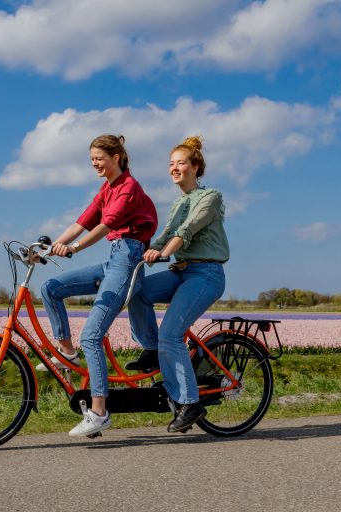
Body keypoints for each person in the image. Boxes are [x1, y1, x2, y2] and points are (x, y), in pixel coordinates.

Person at [40, 134, 158, 437]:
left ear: (116, 157)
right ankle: (66, 351)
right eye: (91, 159)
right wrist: (53, 245)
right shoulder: (107, 188)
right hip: (113, 258)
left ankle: (99, 412)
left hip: (128, 259)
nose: (94, 164)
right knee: (50, 287)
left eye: (99, 158)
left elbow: (105, 225)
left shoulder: (129, 188)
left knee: (92, 335)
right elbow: (85, 220)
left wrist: (74, 249)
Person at [127, 135, 229, 433]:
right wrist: (138, 251)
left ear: (196, 167)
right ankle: (151, 349)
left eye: (181, 163)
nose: (174, 168)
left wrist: (163, 253)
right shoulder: (177, 203)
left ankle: (189, 402)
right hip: (180, 270)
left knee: (170, 334)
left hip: (206, 274)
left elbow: (188, 229)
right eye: (171, 164)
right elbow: (165, 234)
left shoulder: (210, 197)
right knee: (136, 292)